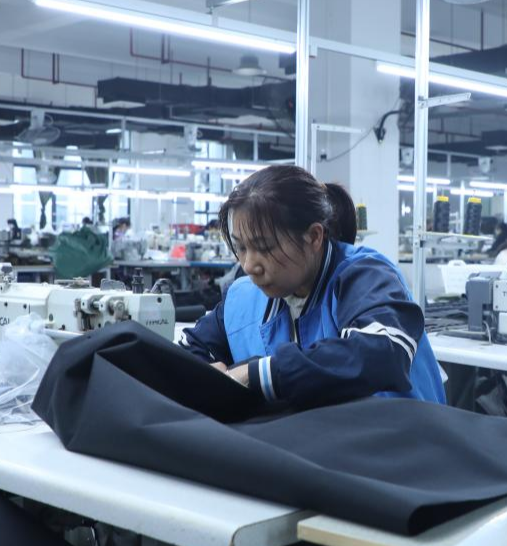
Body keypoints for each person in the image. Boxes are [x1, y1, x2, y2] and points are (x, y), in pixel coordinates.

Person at [178, 165, 445, 408]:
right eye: (241, 247)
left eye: (264, 247)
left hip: (399, 437)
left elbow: (381, 353)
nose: (249, 266)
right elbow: (192, 348)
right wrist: (205, 374)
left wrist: (259, 374)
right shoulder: (244, 297)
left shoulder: (365, 277)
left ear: (314, 237)